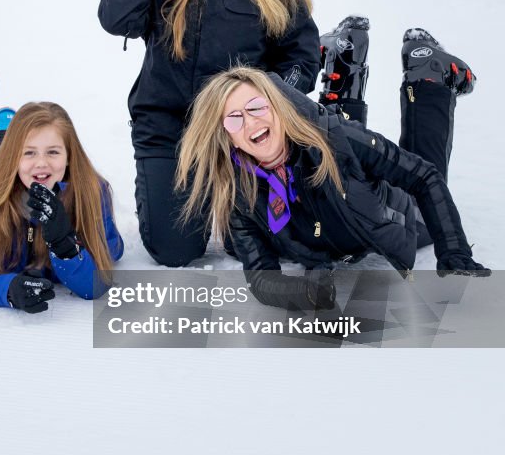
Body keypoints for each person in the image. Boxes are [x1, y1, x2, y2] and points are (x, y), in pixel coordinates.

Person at [97, 0, 320, 267]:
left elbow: (300, 55)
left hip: (243, 132)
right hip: (170, 127)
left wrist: (272, 102)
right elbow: (113, 17)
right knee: (176, 250)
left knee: (253, 243)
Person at [174, 27, 486, 311]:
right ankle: (343, 64)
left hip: (380, 212)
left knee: (423, 210)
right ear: (226, 136)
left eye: (257, 107)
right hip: (329, 214)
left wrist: (454, 250)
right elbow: (261, 278)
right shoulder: (239, 194)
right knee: (233, 244)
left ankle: (430, 75)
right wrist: (304, 292)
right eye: (234, 118)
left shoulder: (338, 138)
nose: (251, 122)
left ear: (278, 108)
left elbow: (423, 176)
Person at [0, 102, 124, 313]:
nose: (41, 163)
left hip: (22, 169)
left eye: (53, 152)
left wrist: (64, 244)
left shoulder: (92, 191)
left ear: (69, 156)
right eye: (29, 153)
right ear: (14, 157)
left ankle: (12, 133)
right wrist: (10, 289)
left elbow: (94, 285)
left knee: (114, 248)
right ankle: (2, 127)